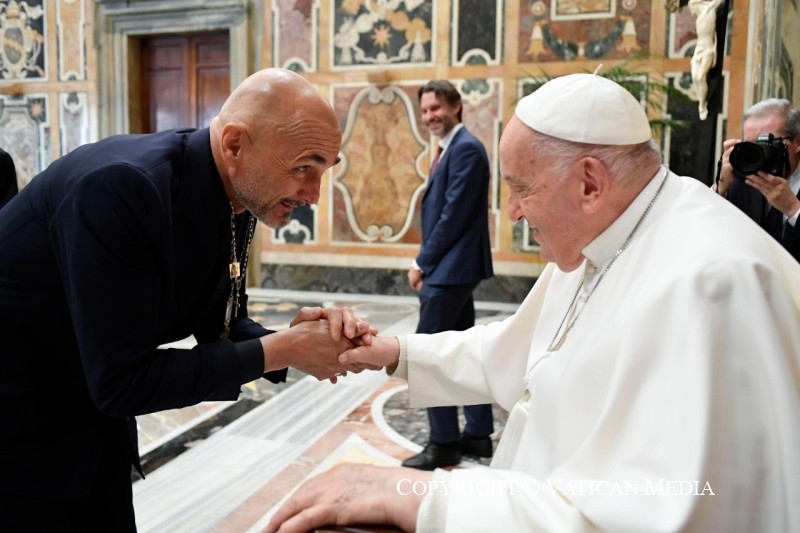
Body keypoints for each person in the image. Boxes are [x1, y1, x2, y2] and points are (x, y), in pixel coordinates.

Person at [266, 72, 800, 532]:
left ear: (589, 183)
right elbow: (524, 351)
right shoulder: (608, 235)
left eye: (521, 189)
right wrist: (394, 352)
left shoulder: (715, 283)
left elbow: (658, 511)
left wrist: (426, 498)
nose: (515, 213)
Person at [0, 68, 374, 531]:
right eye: (303, 168)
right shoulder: (121, 188)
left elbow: (220, 322)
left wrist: (297, 340)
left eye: (323, 171)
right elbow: (122, 381)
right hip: (21, 436)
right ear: (235, 144)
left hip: (90, 428)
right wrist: (280, 350)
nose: (314, 194)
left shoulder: (238, 193)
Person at [402, 80, 494, 471]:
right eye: (425, 110)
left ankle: (444, 443)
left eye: (436, 108)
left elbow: (452, 216)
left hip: (451, 270)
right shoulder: (451, 148)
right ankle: (478, 435)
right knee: (464, 352)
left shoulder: (466, 149)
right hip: (455, 269)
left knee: (427, 356)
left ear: (456, 106)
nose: (429, 117)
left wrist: (422, 262)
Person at [715, 98, 800, 261]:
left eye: (767, 143)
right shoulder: (741, 181)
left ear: (797, 142)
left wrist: (794, 209)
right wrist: (720, 190)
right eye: (751, 145)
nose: (758, 153)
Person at [688, 0, 725, 120]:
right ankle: (701, 100)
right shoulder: (699, 16)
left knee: (700, 77)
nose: (691, 12)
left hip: (708, 49)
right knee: (695, 77)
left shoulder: (709, 9)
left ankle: (702, 105)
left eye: (692, 8)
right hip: (698, 49)